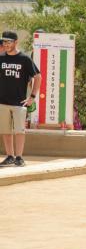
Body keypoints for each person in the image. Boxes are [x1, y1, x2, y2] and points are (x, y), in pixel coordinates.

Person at [0, 31, 41, 167]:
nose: (6, 44)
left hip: (19, 102)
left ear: (16, 42)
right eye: (4, 42)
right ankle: (10, 156)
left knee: (19, 130)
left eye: (8, 42)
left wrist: (32, 97)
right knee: (5, 130)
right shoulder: (1, 58)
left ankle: (19, 157)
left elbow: (38, 77)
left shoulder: (24, 59)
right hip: (2, 101)